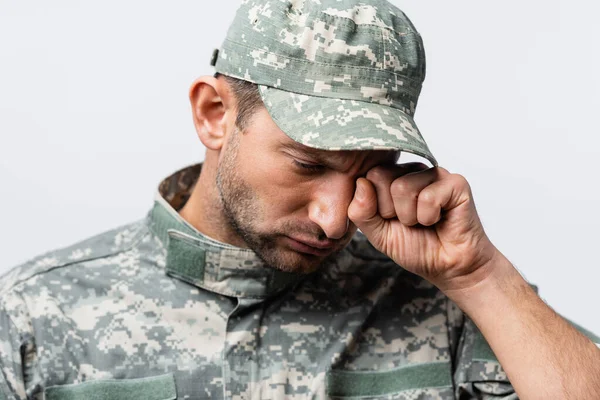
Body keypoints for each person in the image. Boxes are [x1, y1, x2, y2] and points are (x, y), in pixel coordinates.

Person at [1, 0, 599, 398]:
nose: (337, 217)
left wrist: (479, 276)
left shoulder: (449, 313)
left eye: (372, 169)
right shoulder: (31, 318)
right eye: (308, 163)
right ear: (215, 115)